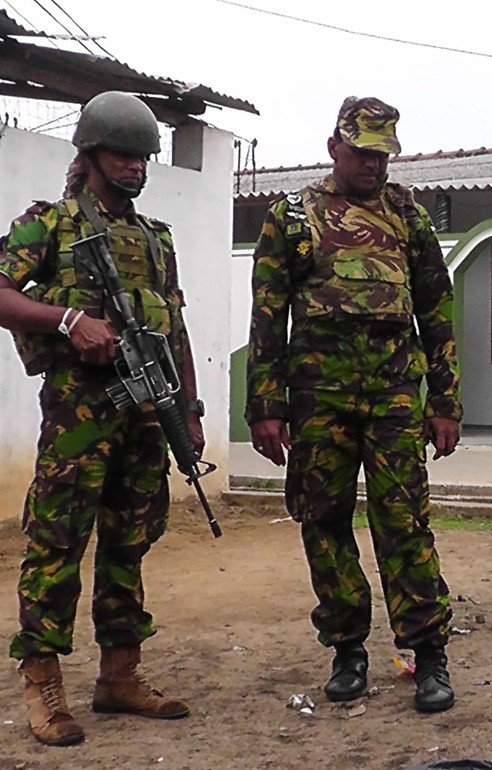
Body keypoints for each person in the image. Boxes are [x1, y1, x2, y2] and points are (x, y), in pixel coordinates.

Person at [246, 96, 463, 711]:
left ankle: (429, 655)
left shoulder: (407, 216)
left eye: (383, 154)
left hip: (394, 394)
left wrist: (445, 400)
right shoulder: (291, 216)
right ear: (334, 146)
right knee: (324, 522)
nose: (374, 164)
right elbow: (268, 318)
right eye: (363, 152)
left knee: (404, 524)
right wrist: (265, 405)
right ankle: (347, 649)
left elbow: (436, 311)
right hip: (319, 399)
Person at [0, 91, 199, 746]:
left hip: (146, 415)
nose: (136, 167)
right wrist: (67, 319)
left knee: (130, 543)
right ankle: (43, 684)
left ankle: (120, 675)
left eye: (144, 157)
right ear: (90, 154)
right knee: (57, 543)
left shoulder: (153, 238)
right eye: (124, 154)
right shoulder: (50, 225)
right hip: (80, 416)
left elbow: (175, 326)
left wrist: (189, 410)